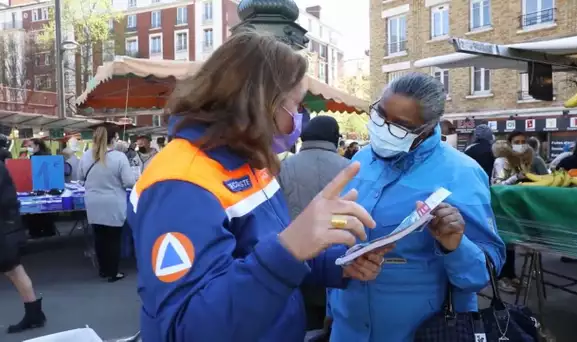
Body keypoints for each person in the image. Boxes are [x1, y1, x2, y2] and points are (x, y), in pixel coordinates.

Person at [128, 31, 391, 342]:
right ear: (260, 103)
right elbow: (189, 327)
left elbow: (262, 252)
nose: (299, 120)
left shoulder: (248, 162)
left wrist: (337, 265)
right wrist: (290, 248)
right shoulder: (180, 182)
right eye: (295, 106)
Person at [327, 73, 505, 342]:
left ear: (427, 128)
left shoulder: (462, 173)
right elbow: (337, 230)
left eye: (399, 126)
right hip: (347, 328)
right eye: (380, 114)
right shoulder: (360, 161)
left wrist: (455, 245)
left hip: (425, 332)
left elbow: (483, 273)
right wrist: (333, 297)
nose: (383, 128)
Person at [277, 115, 351, 331]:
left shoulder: (283, 167)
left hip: (296, 255)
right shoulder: (350, 167)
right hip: (342, 259)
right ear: (334, 138)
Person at [77, 127, 135, 282]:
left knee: (99, 238)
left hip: (93, 203)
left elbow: (80, 177)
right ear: (114, 139)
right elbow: (129, 182)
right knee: (113, 240)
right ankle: (113, 272)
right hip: (113, 203)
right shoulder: (119, 157)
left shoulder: (86, 155)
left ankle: (103, 270)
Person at [0, 161, 47, 333]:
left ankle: (34, 315)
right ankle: (34, 315)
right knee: (14, 270)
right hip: (8, 227)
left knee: (14, 270)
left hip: (4, 229)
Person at [491, 131, 539, 293]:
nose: (521, 144)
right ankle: (500, 278)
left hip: (513, 207)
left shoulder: (523, 161)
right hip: (500, 206)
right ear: (510, 144)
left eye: (523, 141)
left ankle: (511, 275)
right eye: (517, 141)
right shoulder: (501, 161)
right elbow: (498, 184)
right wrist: (516, 177)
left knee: (511, 244)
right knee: (503, 244)